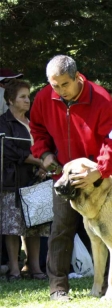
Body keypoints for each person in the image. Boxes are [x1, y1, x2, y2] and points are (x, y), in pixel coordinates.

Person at [29, 55, 112, 301]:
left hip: (98, 179)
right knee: (61, 230)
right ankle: (58, 288)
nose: (59, 91)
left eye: (64, 85)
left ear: (77, 77)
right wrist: (45, 152)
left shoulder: (101, 99)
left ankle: (109, 286)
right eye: (54, 85)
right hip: (63, 177)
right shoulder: (42, 98)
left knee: (109, 232)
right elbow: (37, 130)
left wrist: (99, 171)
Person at [0, 79, 49, 282]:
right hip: (12, 180)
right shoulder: (3, 122)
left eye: (28, 96)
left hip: (35, 180)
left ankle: (34, 266)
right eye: (22, 97)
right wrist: (38, 161)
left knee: (34, 225)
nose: (27, 100)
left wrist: (44, 166)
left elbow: (45, 146)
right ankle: (14, 269)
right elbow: (9, 150)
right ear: (10, 100)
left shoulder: (33, 123)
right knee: (13, 227)